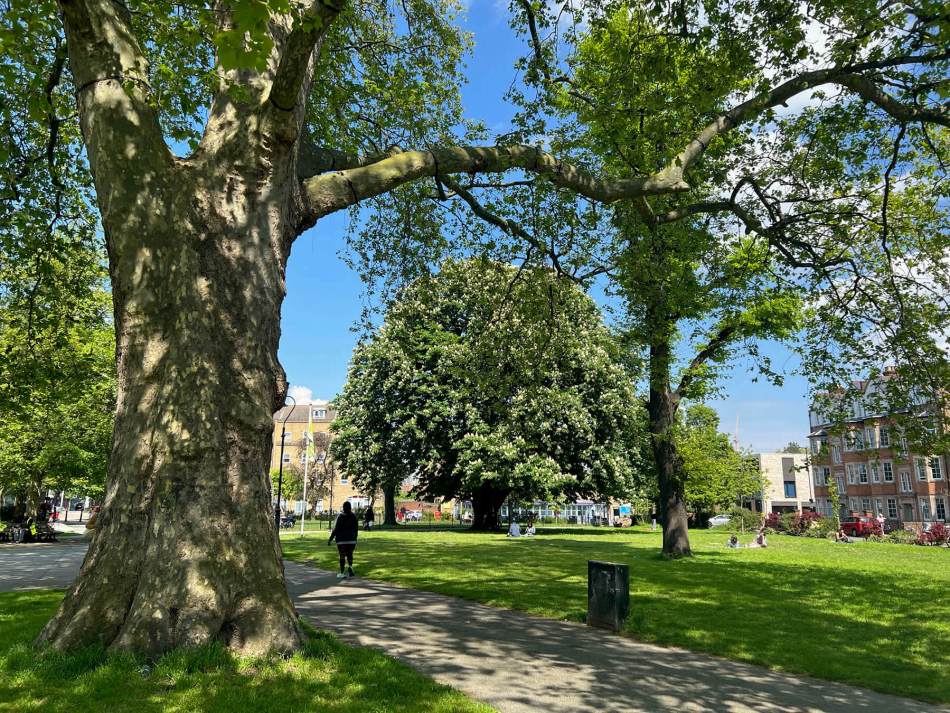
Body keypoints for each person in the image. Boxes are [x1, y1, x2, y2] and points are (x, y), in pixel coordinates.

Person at [328, 501, 359, 578]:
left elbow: (336, 529)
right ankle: (350, 567)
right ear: (350, 507)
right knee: (350, 554)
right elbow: (356, 529)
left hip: (341, 540)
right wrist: (355, 538)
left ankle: (342, 573)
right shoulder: (354, 516)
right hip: (351, 539)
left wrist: (330, 539)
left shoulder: (340, 516)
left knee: (342, 555)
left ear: (343, 508)